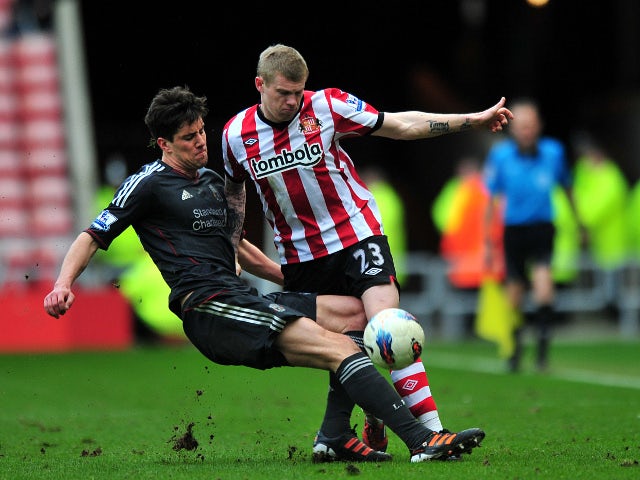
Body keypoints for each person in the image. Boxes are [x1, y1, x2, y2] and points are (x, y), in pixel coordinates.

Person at [43, 86, 485, 463]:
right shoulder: (148, 183)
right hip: (211, 308)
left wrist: (282, 277)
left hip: (240, 297)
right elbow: (93, 235)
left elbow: (237, 246)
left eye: (201, 131)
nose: (201, 142)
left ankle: (333, 437)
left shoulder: (212, 182)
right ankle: (422, 439)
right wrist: (63, 284)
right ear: (163, 143)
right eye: (188, 138)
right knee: (339, 350)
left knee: (357, 318)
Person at [221, 44, 511, 454]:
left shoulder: (327, 105)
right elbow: (235, 194)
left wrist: (471, 121)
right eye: (283, 93)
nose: (292, 101)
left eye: (298, 92)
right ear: (259, 84)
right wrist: (230, 248)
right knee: (351, 340)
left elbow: (402, 125)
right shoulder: (234, 135)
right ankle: (342, 431)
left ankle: (431, 432)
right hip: (301, 257)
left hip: (356, 234)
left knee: (388, 325)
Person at [483, 97, 576, 373]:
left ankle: (543, 352)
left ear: (539, 127)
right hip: (514, 231)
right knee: (514, 294)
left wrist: (579, 222)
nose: (527, 131)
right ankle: (516, 349)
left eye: (532, 126)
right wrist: (488, 240)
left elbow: (567, 187)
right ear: (513, 129)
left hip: (543, 228)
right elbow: (491, 200)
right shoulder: (500, 156)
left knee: (543, 288)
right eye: (522, 126)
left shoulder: (553, 152)